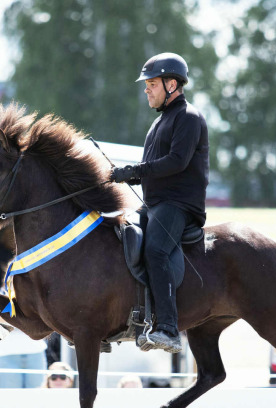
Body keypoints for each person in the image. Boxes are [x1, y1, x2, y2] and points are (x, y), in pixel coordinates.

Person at [110, 52, 209, 354]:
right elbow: (153, 168)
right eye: (147, 85)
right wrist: (126, 176)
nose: (146, 90)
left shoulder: (188, 117)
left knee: (155, 250)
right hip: (154, 204)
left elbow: (177, 162)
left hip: (179, 205)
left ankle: (167, 328)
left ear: (172, 84)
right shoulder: (159, 123)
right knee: (117, 237)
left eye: (151, 84)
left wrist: (134, 171)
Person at [0, 312, 47, 408]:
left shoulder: (36, 299)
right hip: (7, 354)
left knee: (36, 401)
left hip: (36, 352)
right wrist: (27, 321)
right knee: (9, 402)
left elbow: (42, 318)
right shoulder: (3, 298)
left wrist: (14, 320)